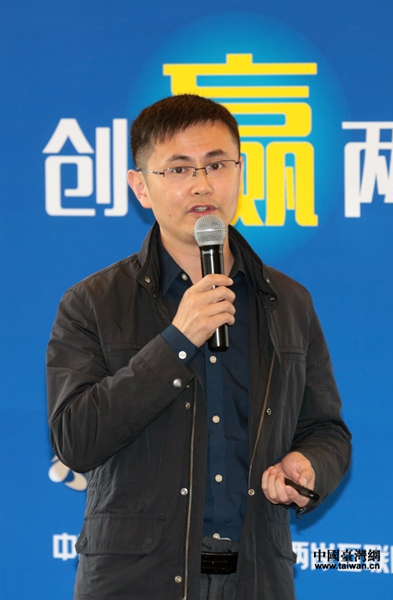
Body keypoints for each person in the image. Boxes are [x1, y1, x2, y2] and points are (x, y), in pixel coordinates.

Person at [47, 94, 351, 600]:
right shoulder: (92, 303)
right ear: (140, 187)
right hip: (136, 582)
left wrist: (309, 464)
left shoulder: (288, 301)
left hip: (256, 578)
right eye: (179, 169)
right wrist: (176, 342)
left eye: (217, 164)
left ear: (241, 172)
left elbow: (326, 430)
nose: (202, 184)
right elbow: (75, 439)